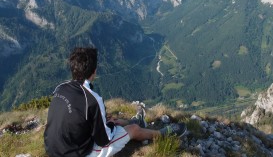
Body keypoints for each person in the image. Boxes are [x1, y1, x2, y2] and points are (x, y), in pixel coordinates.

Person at [44, 47, 186, 157]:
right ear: (94, 71)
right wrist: (111, 124)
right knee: (132, 130)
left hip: (53, 149)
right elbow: (104, 140)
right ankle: (164, 133)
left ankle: (134, 121)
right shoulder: (92, 99)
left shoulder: (61, 88)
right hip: (77, 154)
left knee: (107, 120)